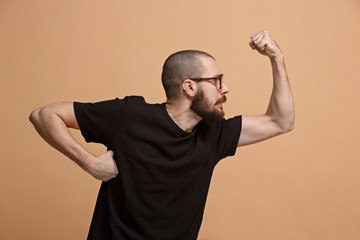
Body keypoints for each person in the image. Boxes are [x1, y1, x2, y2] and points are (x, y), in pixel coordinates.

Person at [29, 30, 294, 240]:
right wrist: (90, 164)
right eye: (216, 81)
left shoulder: (214, 134)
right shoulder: (129, 116)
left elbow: (280, 121)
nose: (225, 88)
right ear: (189, 87)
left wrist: (277, 58)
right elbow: (44, 115)